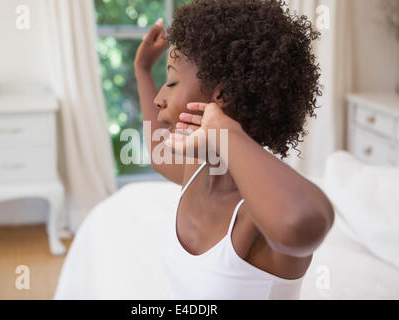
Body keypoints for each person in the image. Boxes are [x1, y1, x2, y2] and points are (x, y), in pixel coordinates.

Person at [133, 0, 334, 300]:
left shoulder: (257, 216)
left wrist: (223, 129)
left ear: (221, 95)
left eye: (172, 81)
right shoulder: (197, 172)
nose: (159, 99)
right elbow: (160, 155)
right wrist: (142, 70)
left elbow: (303, 222)